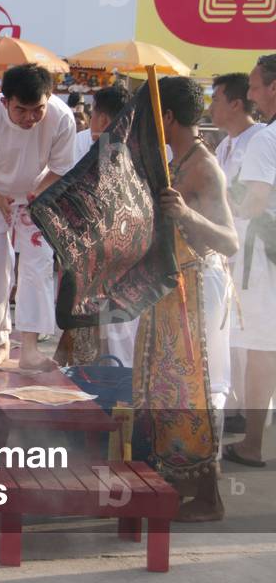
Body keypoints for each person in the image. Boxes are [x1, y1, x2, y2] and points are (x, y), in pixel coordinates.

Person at [135, 76, 237, 522]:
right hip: (175, 291)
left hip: (201, 288)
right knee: (170, 391)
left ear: (168, 118)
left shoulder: (203, 166)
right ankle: (176, 481)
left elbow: (229, 240)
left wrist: (186, 213)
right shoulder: (179, 159)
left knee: (201, 392)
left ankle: (210, 496)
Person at [0, 64, 75, 370]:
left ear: (49, 98)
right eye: (21, 110)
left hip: (38, 193)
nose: (30, 118)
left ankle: (31, 349)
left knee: (38, 266)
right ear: (4, 101)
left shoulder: (62, 117)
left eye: (38, 110)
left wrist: (37, 196)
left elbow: (61, 168)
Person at [57, 84, 137, 366]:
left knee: (113, 334)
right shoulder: (82, 142)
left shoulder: (131, 146)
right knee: (92, 331)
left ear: (101, 117)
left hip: (110, 256)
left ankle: (108, 388)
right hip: (96, 253)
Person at [226, 54, 276, 469]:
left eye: (256, 86)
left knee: (262, 349)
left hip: (266, 254)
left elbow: (255, 201)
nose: (251, 94)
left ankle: (253, 444)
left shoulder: (265, 138)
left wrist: (214, 203)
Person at [209, 73, 266, 433]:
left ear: (236, 103)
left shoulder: (260, 140)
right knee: (230, 332)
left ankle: (252, 412)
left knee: (254, 334)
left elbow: (252, 200)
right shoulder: (223, 146)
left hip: (254, 249)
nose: (211, 106)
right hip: (228, 248)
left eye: (216, 99)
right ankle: (232, 407)